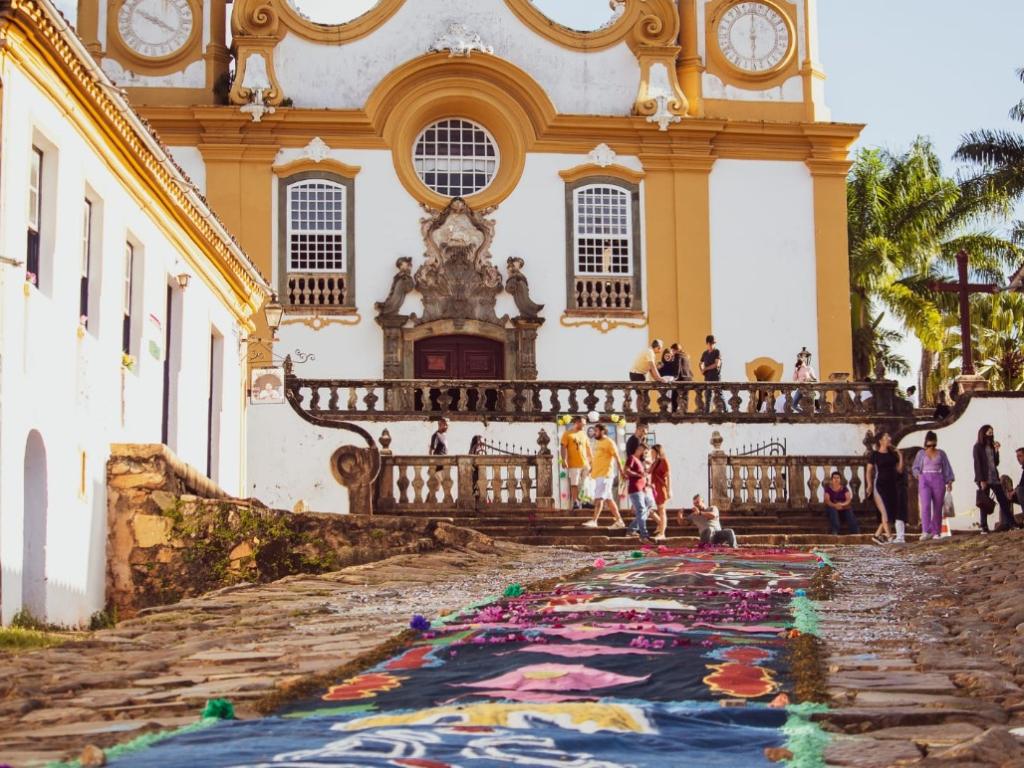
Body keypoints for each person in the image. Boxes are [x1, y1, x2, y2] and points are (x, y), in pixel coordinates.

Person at [912, 431, 955, 541]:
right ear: (926, 442)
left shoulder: (941, 453)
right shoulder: (921, 453)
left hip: (938, 479)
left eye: (933, 443)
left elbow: (947, 468)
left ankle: (936, 531)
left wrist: (949, 481)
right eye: (929, 443)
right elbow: (915, 467)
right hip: (924, 479)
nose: (931, 446)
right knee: (925, 505)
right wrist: (918, 476)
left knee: (937, 507)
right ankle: (926, 531)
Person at [582, 423, 626, 529]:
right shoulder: (599, 443)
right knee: (609, 499)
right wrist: (592, 469)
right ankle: (619, 521)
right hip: (598, 475)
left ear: (603, 431)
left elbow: (617, 457)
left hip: (605, 475)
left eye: (596, 431)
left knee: (599, 498)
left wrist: (621, 471)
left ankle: (594, 520)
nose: (595, 433)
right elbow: (598, 458)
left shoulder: (609, 442)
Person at [974, 424, 1015, 532]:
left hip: (994, 478)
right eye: (989, 433)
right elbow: (977, 464)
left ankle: (1012, 523)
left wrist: (997, 450)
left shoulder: (992, 446)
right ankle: (984, 526)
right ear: (983, 433)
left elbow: (996, 463)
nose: (991, 435)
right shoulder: (977, 447)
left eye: (992, 433)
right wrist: (981, 480)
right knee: (984, 503)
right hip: (984, 478)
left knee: (1003, 501)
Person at [865, 431, 904, 544]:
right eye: (887, 437)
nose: (889, 438)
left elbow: (900, 470)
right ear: (880, 440)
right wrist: (869, 485)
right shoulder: (875, 455)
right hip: (879, 486)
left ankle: (877, 535)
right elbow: (868, 471)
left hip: (891, 487)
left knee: (889, 512)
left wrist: (900, 456)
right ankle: (890, 537)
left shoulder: (892, 455)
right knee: (885, 513)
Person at [559, 416, 592, 510]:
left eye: (585, 423)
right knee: (575, 484)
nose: (585, 425)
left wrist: (592, 462)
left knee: (585, 483)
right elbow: (563, 447)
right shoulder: (567, 434)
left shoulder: (584, 434)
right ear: (577, 422)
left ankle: (585, 501)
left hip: (585, 464)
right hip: (573, 464)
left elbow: (588, 448)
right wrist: (563, 460)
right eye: (583, 423)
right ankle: (576, 502)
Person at [624, 442, 653, 541]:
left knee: (648, 506)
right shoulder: (632, 458)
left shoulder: (640, 462)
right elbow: (626, 471)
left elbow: (643, 475)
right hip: (635, 489)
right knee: (641, 510)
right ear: (640, 449)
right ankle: (644, 535)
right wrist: (639, 475)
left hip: (642, 489)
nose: (645, 454)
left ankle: (632, 529)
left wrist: (647, 483)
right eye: (644, 451)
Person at [823, 471, 860, 536]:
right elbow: (827, 501)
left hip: (843, 507)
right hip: (832, 507)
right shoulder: (828, 489)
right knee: (833, 510)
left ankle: (855, 532)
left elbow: (848, 500)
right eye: (834, 478)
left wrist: (841, 504)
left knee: (849, 511)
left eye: (838, 478)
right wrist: (835, 505)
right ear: (832, 480)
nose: (836, 479)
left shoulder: (844, 489)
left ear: (840, 479)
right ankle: (835, 531)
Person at [649, 444, 671, 541]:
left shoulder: (663, 461)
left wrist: (669, 490)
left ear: (658, 452)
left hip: (661, 488)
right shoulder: (655, 462)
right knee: (650, 508)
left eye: (653, 452)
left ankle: (662, 533)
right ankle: (660, 524)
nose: (651, 454)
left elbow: (668, 476)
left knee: (662, 511)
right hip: (654, 488)